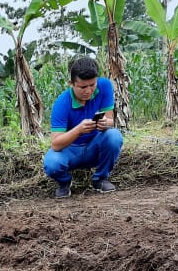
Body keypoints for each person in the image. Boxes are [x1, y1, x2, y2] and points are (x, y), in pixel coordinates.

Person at [43, 56, 124, 199]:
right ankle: (64, 183)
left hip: (94, 147)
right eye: (83, 87)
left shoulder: (104, 86)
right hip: (71, 151)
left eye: (92, 85)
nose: (89, 90)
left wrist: (105, 123)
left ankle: (100, 179)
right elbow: (55, 144)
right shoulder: (62, 103)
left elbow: (110, 121)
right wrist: (79, 130)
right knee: (51, 163)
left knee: (114, 136)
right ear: (71, 83)